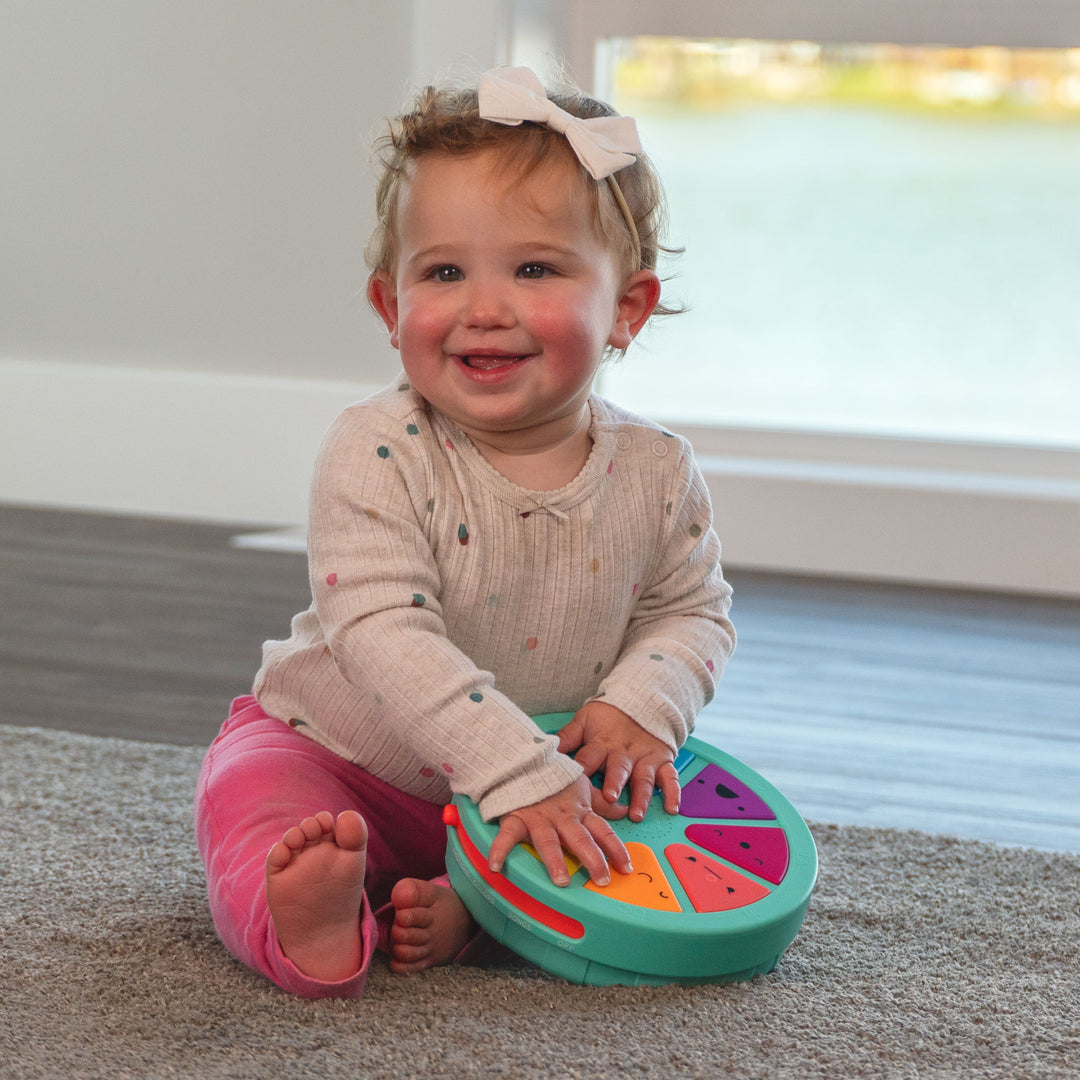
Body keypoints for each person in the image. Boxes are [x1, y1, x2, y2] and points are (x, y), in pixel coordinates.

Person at [194, 66, 735, 998]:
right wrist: (507, 769)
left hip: (551, 775)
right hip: (342, 757)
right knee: (252, 797)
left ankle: (470, 908)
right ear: (391, 306)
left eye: (535, 269)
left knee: (620, 830)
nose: (485, 307)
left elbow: (694, 613)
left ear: (627, 311)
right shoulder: (376, 450)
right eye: (444, 272)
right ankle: (301, 918)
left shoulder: (656, 471)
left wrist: (644, 704)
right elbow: (381, 633)